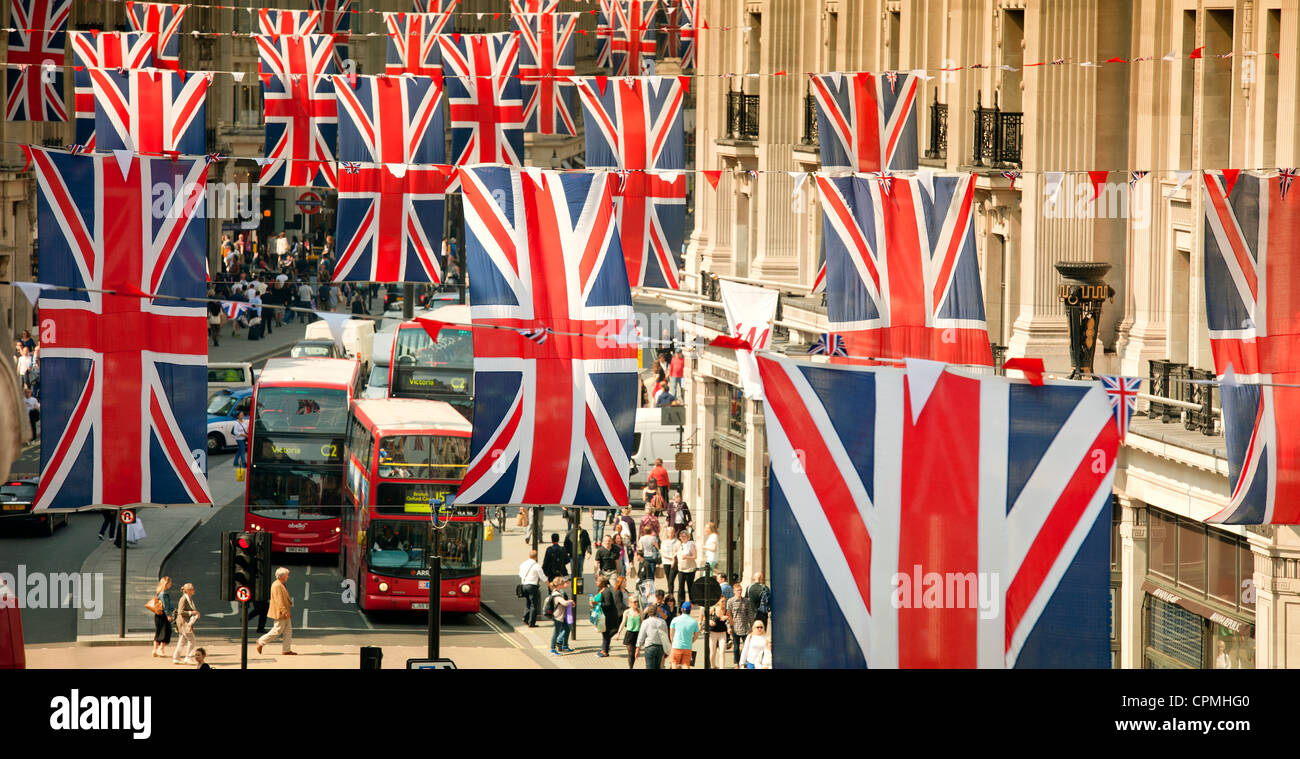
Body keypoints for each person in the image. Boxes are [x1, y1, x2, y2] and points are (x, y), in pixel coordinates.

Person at [256, 567, 296, 655]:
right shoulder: (277, 585)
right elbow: (279, 600)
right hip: (280, 612)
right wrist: (285, 612)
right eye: (286, 575)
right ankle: (261, 641)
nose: (287, 577)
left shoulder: (280, 584)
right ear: (281, 576)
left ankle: (286, 650)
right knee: (277, 630)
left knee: (288, 631)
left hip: (284, 611)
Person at [726, 582, 755, 668]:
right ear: (734, 591)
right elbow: (728, 615)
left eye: (741, 590)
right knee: (736, 647)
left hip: (745, 627)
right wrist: (728, 627)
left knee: (747, 646)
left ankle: (745, 662)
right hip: (735, 627)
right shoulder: (730, 601)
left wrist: (752, 626)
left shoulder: (746, 601)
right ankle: (736, 663)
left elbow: (750, 614)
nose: (740, 592)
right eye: (738, 590)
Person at [634, 603, 670, 669]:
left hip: (650, 647)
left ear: (648, 612)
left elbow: (641, 636)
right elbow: (665, 636)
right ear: (656, 612)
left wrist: (638, 648)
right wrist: (666, 649)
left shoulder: (645, 622)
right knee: (657, 667)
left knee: (649, 666)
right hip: (660, 647)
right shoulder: (663, 622)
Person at [172, 582, 200, 665]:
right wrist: (192, 612)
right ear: (187, 590)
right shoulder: (184, 599)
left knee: (182, 641)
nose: (193, 590)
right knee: (192, 640)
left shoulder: (189, 598)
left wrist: (195, 613)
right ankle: (188, 657)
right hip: (183, 623)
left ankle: (176, 658)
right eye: (192, 589)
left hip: (186, 623)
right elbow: (180, 611)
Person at [593, 576, 620, 658]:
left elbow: (608, 604)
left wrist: (598, 604)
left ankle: (605, 651)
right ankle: (603, 649)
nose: (596, 583)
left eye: (598, 581)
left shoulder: (607, 592)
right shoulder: (600, 590)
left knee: (606, 634)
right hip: (602, 616)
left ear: (603, 583)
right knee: (604, 633)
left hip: (609, 617)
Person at [518, 549, 546, 628]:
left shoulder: (523, 564)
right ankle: (531, 623)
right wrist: (549, 584)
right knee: (534, 604)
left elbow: (520, 574)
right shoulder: (536, 566)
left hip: (524, 586)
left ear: (529, 556)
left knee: (528, 602)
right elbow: (543, 577)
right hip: (532, 586)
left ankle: (525, 618)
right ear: (536, 557)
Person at [668, 600, 699, 669]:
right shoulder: (694, 622)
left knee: (674, 663)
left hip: (676, 645)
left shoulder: (675, 620)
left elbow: (671, 633)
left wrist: (673, 642)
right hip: (687, 646)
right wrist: (691, 641)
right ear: (690, 610)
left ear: (681, 609)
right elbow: (696, 635)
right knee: (686, 664)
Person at [546, 578, 573, 655]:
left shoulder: (557, 592)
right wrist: (570, 601)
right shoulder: (556, 594)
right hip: (558, 617)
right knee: (556, 633)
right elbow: (564, 603)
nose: (563, 585)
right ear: (559, 585)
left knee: (567, 628)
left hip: (561, 616)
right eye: (562, 584)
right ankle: (552, 649)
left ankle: (564, 646)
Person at [615, 595, 643, 669]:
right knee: (631, 652)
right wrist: (618, 633)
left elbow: (642, 623)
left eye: (637, 602)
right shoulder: (627, 612)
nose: (636, 603)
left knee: (634, 653)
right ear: (630, 603)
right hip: (629, 634)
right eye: (634, 602)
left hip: (637, 634)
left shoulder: (640, 611)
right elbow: (623, 623)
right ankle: (630, 667)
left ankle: (631, 666)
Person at [151, 577, 174, 658]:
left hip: (158, 615)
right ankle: (161, 649)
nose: (170, 585)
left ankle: (154, 649)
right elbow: (165, 606)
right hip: (163, 615)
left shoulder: (159, 592)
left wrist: (173, 609)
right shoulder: (164, 594)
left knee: (158, 632)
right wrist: (168, 615)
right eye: (170, 583)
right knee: (166, 631)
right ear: (166, 584)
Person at [676, 528, 698, 604]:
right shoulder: (680, 545)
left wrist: (687, 557)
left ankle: (692, 601)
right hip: (681, 569)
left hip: (689, 569)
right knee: (681, 586)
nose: (682, 538)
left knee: (690, 586)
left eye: (684, 536)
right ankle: (681, 602)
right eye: (681, 536)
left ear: (688, 537)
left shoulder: (690, 544)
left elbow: (695, 556)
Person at [708, 593, 730, 668]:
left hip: (722, 633)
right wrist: (709, 621)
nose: (724, 603)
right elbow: (705, 618)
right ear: (718, 602)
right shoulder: (713, 609)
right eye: (722, 601)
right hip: (713, 633)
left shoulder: (727, 611)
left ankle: (722, 667)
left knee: (722, 652)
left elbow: (732, 622)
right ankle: (712, 666)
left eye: (725, 601)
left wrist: (727, 618)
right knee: (712, 652)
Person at [661, 526, 680, 600]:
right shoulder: (664, 542)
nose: (671, 534)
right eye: (669, 532)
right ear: (667, 533)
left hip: (674, 563)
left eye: (672, 532)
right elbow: (662, 551)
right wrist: (669, 557)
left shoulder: (677, 542)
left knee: (671, 580)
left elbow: (677, 552)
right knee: (668, 580)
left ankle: (670, 596)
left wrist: (673, 558)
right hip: (666, 562)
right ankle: (670, 595)